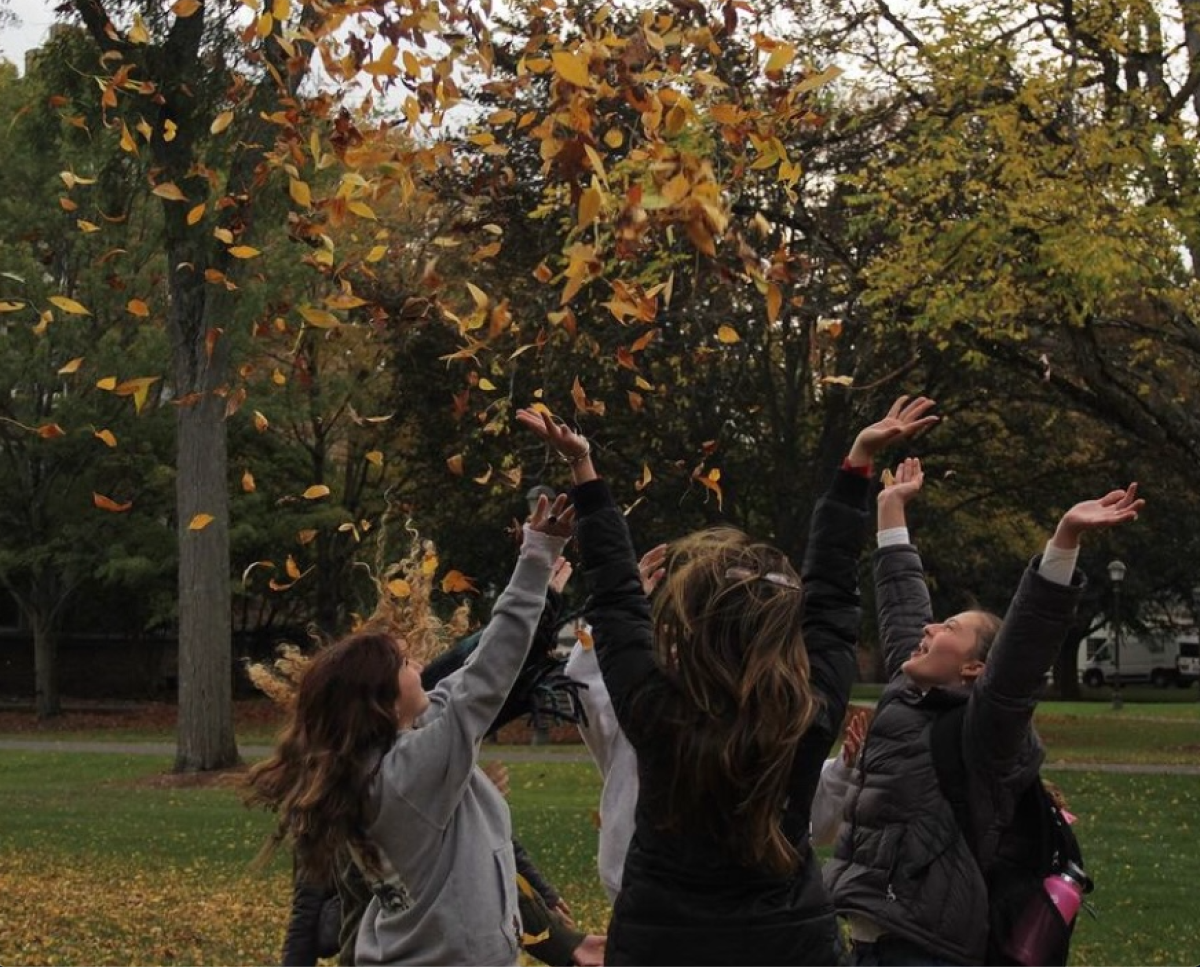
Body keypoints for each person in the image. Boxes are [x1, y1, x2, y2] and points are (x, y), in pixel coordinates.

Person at [517, 396, 938, 966]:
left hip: (660, 945)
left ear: (691, 627)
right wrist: (856, 465)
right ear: (778, 630)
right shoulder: (804, 713)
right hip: (788, 945)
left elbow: (617, 600)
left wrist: (585, 473)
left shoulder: (656, 710)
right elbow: (834, 603)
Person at [823, 456, 1144, 966]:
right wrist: (890, 509)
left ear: (974, 669)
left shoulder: (985, 733)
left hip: (927, 948)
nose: (929, 629)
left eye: (948, 626)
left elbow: (1020, 656)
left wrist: (1062, 546)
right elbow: (904, 605)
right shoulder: (911, 692)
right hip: (871, 936)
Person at [245, 493, 575, 966]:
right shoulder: (408, 774)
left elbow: (475, 669)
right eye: (403, 662)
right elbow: (488, 674)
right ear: (381, 699)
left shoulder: (379, 761)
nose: (418, 663)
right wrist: (535, 557)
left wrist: (542, 589)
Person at [563, 543, 666, 903]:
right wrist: (617, 611)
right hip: (637, 891)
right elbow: (582, 680)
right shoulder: (634, 715)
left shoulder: (736, 713)